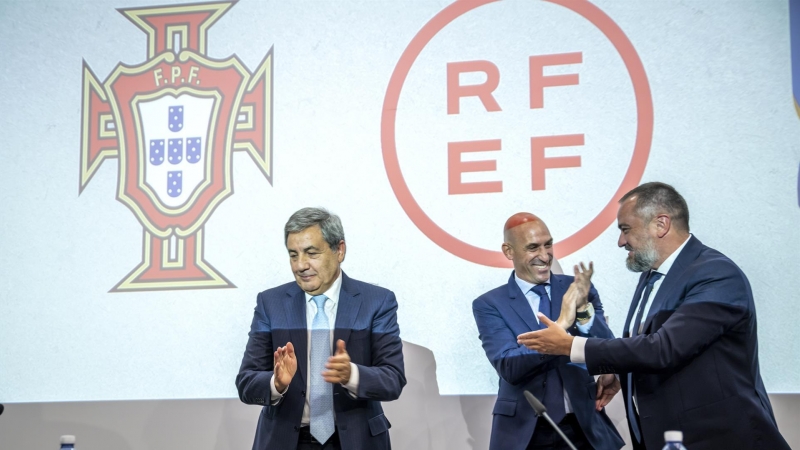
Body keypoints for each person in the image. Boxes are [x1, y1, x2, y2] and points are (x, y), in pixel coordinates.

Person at [518, 182, 790, 450]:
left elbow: (664, 348)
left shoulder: (716, 274)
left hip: (722, 437)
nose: (621, 241)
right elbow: (648, 346)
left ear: (661, 224)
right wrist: (621, 374)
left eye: (626, 229)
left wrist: (570, 345)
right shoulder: (652, 274)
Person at [236, 207, 406, 450]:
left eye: (311, 253)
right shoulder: (271, 303)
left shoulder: (376, 302)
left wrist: (351, 375)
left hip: (356, 441)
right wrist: (277, 383)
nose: (300, 265)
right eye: (293, 255)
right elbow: (246, 381)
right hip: (285, 441)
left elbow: (392, 379)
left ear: (340, 250)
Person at [472, 213, 624, 450]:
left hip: (583, 427)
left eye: (548, 244)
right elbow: (508, 366)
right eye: (533, 247)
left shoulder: (577, 289)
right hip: (524, 433)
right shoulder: (490, 304)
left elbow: (605, 345)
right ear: (509, 251)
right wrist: (561, 324)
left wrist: (583, 310)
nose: (545, 256)